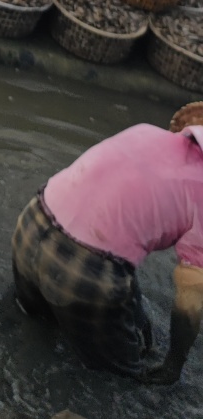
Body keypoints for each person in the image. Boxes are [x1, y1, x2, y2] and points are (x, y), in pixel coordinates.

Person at [11, 104, 203, 382]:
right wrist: (173, 367)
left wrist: (133, 309)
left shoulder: (145, 132)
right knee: (120, 380)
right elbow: (190, 302)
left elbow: (116, 225)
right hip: (84, 272)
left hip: (31, 223)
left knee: (31, 326)